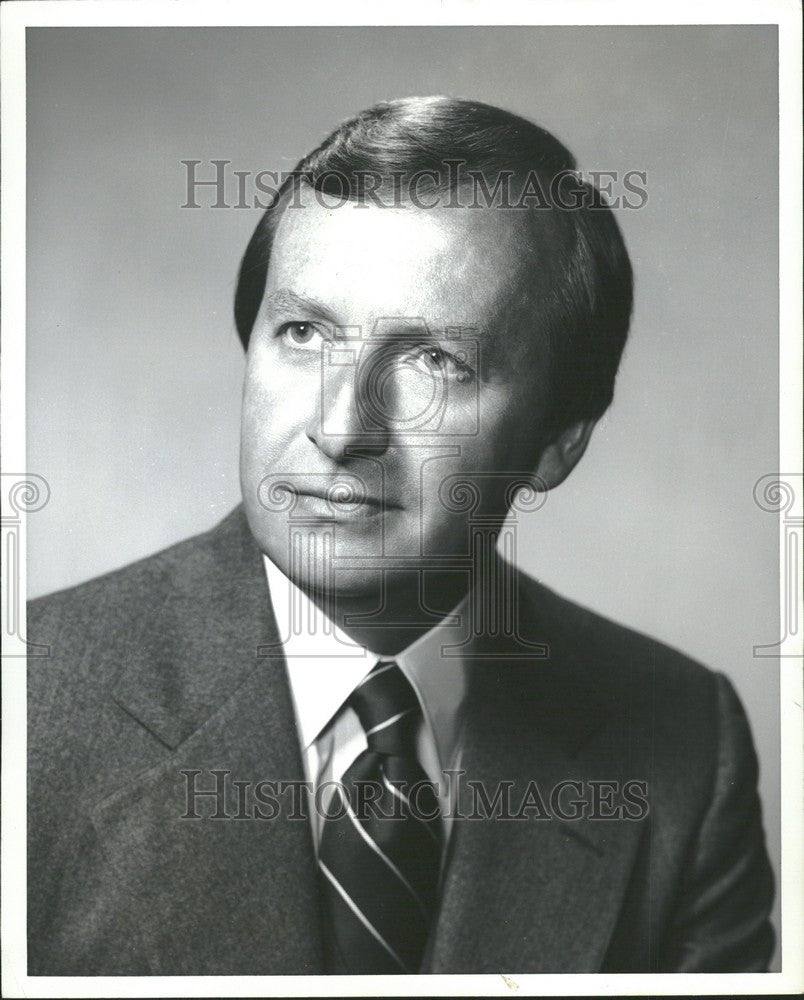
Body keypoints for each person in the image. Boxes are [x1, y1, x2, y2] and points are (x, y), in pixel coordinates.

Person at [27, 96, 774, 975]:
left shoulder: (685, 744)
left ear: (558, 440)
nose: (342, 431)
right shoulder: (28, 707)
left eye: (435, 363)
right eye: (303, 333)